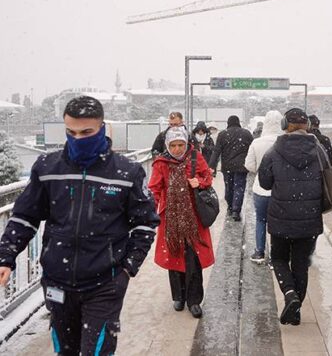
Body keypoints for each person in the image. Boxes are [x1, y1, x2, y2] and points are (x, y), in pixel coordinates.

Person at [0, 96, 160, 355]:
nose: (78, 139)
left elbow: (145, 224)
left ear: (102, 128)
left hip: (105, 284)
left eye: (87, 132)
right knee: (65, 351)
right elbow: (25, 216)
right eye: (71, 132)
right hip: (57, 282)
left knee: (96, 351)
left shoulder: (127, 172)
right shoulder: (47, 167)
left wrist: (127, 269)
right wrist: (6, 257)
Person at [258, 108, 324, 326]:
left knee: (278, 258)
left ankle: (289, 294)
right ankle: (296, 309)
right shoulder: (318, 149)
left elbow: (265, 183)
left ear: (285, 124)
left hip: (281, 217)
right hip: (310, 217)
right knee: (300, 263)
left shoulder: (274, 150)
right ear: (307, 126)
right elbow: (328, 173)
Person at [148, 127, 214, 318]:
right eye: (173, 145)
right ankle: (179, 296)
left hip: (194, 217)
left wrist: (199, 182)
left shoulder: (195, 158)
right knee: (174, 255)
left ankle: (194, 300)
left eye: (181, 145)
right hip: (171, 218)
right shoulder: (161, 163)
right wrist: (149, 212)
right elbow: (154, 189)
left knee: (194, 258)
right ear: (167, 145)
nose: (177, 149)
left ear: (186, 144)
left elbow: (207, 176)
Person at [244, 110, 283, 264]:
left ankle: (260, 252)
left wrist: (261, 169)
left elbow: (249, 165)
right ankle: (275, 256)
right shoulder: (283, 141)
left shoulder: (257, 142)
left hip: (260, 188)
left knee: (261, 220)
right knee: (277, 223)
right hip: (280, 190)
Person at [208, 115, 253, 222]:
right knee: (239, 187)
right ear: (238, 122)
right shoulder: (246, 134)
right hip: (242, 166)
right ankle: (236, 211)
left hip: (227, 166)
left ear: (228, 123)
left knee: (229, 186)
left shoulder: (223, 134)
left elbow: (216, 151)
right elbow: (252, 149)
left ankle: (230, 206)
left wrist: (210, 166)